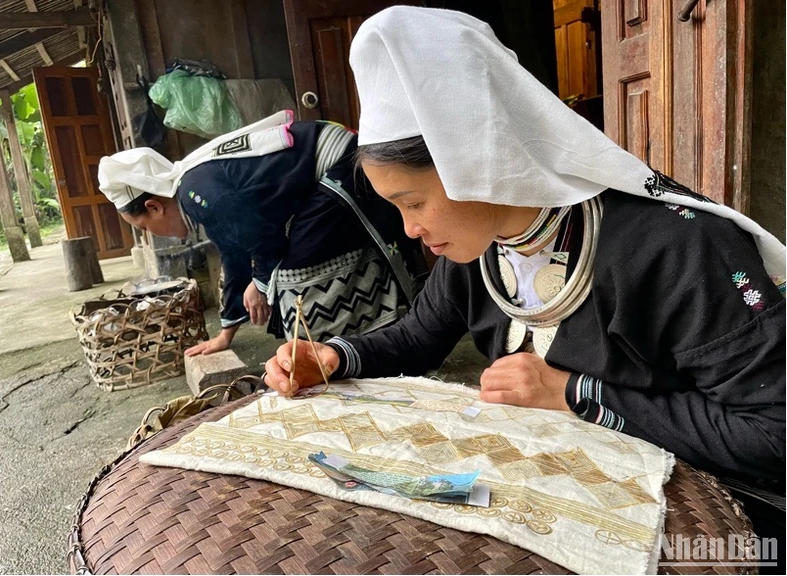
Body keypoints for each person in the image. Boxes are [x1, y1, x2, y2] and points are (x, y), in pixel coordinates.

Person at [262, 6, 786, 560]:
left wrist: (575, 394)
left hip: (714, 523)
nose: (412, 230)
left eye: (413, 203)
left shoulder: (678, 249)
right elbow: (416, 338)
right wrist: (334, 358)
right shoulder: (480, 250)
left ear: (476, 161)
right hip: (566, 500)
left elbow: (773, 436)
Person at [99, 110, 427, 356]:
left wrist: (259, 283)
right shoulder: (194, 191)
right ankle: (352, 343)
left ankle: (353, 347)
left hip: (340, 160)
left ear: (155, 207)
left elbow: (263, 236)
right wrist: (227, 332)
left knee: (294, 273)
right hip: (325, 171)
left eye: (144, 228)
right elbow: (234, 253)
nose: (157, 235)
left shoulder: (195, 192)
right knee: (279, 273)